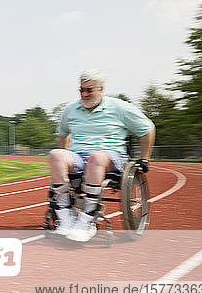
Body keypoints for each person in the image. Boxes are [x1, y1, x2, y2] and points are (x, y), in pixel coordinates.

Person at [49, 69, 155, 242]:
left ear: (101, 89)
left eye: (89, 90)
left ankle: (87, 220)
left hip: (111, 156)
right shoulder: (70, 110)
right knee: (55, 155)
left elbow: (147, 128)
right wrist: (65, 155)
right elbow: (62, 134)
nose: (84, 94)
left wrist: (145, 157)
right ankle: (66, 217)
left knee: (96, 157)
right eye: (81, 90)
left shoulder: (119, 107)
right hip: (79, 156)